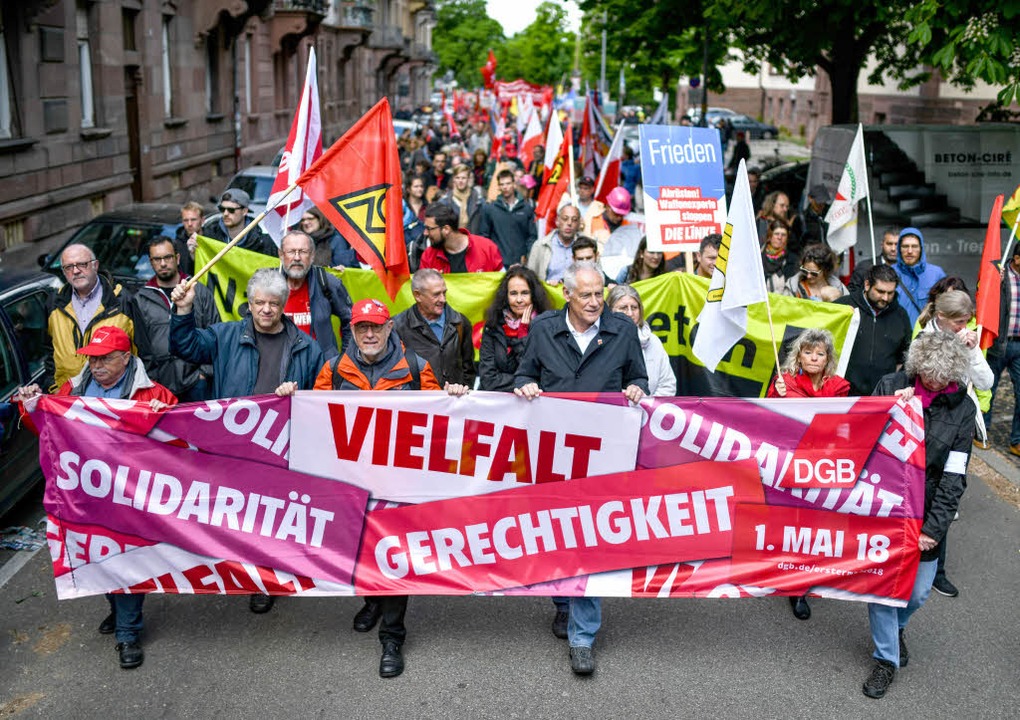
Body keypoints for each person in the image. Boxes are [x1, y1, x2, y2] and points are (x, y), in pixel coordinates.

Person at [312, 298, 468, 678]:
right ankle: (374, 601)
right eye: (362, 327)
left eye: (376, 327)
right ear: (351, 331)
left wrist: (457, 400)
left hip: (399, 486)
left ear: (388, 329)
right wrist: (288, 396)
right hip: (351, 484)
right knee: (361, 550)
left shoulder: (415, 368)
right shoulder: (333, 371)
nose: (369, 333)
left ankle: (392, 637)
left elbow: (440, 421)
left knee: (394, 555)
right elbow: (312, 418)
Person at [514, 261, 648, 676]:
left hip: (603, 455)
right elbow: (523, 373)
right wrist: (526, 385)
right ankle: (562, 601)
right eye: (586, 294)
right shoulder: (543, 329)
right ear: (566, 294)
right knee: (555, 536)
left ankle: (582, 636)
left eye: (599, 294)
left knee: (588, 541)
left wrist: (636, 389)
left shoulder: (622, 331)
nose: (595, 302)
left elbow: (640, 379)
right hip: (553, 453)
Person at [16, 325, 176, 670]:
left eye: (105, 359)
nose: (97, 366)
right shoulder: (73, 389)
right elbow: (48, 429)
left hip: (133, 497)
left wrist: (164, 423)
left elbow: (179, 437)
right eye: (93, 359)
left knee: (129, 560)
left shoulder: (153, 394)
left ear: (125, 358)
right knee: (100, 556)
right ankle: (117, 609)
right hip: (88, 494)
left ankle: (128, 634)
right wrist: (31, 407)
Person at [862, 330, 974, 699]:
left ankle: (897, 629)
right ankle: (885, 661)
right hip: (885, 505)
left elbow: (956, 476)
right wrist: (889, 409)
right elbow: (860, 439)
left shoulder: (963, 408)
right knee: (883, 588)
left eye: (941, 377)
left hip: (928, 511)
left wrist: (935, 528)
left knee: (919, 592)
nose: (932, 381)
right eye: (926, 373)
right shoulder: (891, 385)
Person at [915, 287, 993, 599]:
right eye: (959, 322)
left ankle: (937, 569)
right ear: (941, 318)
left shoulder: (965, 338)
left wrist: (972, 351)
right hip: (926, 426)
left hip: (956, 425)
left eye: (966, 321)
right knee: (924, 492)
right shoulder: (924, 338)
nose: (964, 327)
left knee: (948, 490)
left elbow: (986, 382)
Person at [131, 236, 218, 402]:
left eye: (167, 257)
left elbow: (216, 332)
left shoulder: (198, 291)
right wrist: (151, 379)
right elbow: (141, 345)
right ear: (151, 262)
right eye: (157, 259)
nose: (163, 263)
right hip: (159, 384)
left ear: (177, 258)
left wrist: (205, 373)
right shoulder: (141, 299)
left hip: (197, 382)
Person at [43, 243, 135, 394]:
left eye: (82, 264)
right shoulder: (54, 302)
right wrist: (53, 387)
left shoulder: (121, 300)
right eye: (69, 267)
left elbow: (142, 352)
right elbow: (48, 350)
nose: (76, 271)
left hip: (114, 397)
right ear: (64, 272)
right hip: (66, 399)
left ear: (95, 265)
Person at [834, 265, 912, 397]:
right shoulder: (843, 307)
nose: (885, 298)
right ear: (867, 285)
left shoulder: (900, 315)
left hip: (883, 395)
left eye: (890, 293)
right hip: (843, 393)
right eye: (880, 292)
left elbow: (905, 355)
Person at [392, 268, 476, 388]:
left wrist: (462, 394)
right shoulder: (398, 326)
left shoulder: (460, 322)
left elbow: (468, 368)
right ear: (417, 295)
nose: (443, 299)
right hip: (419, 403)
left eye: (444, 293)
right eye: (436, 294)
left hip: (454, 401)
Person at [277, 230, 353, 360]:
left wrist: (344, 360)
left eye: (303, 252)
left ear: (312, 256)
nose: (297, 258)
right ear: (281, 255)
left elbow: (351, 321)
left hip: (321, 370)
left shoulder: (328, 283)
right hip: (279, 366)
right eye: (291, 252)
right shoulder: (269, 285)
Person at [478, 267, 551, 391]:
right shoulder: (492, 326)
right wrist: (525, 384)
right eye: (513, 293)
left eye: (524, 293)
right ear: (505, 296)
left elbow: (542, 376)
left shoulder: (547, 326)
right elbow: (488, 379)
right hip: (496, 402)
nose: (518, 300)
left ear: (534, 295)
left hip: (532, 403)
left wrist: (523, 335)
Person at [607, 284, 676, 396]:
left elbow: (667, 385)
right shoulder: (600, 341)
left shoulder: (653, 342)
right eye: (623, 308)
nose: (630, 313)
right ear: (610, 310)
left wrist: (647, 406)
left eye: (634, 308)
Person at [986, 242, 1020, 458]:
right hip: (998, 342)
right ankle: (982, 431)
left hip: (1019, 344)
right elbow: (983, 297)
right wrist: (991, 281)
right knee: (988, 387)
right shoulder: (998, 275)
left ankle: (1017, 440)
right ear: (1017, 259)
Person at [477, 168, 538, 267]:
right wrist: (491, 257)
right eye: (502, 184)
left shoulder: (526, 208)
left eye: (508, 183)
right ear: (499, 187)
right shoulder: (490, 209)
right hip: (498, 263)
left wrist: (528, 254)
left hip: (521, 263)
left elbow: (532, 236)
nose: (505, 187)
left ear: (514, 184)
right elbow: (484, 236)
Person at [418, 203, 502, 274]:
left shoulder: (487, 248)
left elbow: (503, 284)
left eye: (429, 228)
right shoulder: (428, 256)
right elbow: (422, 290)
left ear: (446, 229)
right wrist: (431, 283)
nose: (425, 233)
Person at [893, 227, 946, 326]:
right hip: (896, 333)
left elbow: (947, 306)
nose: (909, 251)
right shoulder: (889, 273)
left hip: (926, 335)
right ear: (899, 249)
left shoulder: (936, 273)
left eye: (914, 246)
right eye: (905, 246)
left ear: (921, 248)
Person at [201, 189, 277, 257]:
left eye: (231, 210)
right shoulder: (209, 235)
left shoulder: (262, 242)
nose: (225, 213)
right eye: (222, 209)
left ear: (244, 211)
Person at [526, 204, 582, 284]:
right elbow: (530, 278)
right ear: (557, 221)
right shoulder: (541, 246)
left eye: (574, 220)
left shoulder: (585, 246)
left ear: (579, 223)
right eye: (565, 219)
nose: (569, 223)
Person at [783, 243, 848, 301]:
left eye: (814, 273)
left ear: (825, 270)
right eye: (804, 271)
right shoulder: (793, 288)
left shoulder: (838, 287)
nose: (808, 276)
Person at [848, 227, 901, 293]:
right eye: (889, 244)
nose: (893, 249)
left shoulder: (908, 271)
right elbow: (853, 293)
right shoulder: (865, 267)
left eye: (897, 245)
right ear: (882, 245)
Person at [439, 164, 484, 233]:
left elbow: (484, 225)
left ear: (468, 179)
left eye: (463, 178)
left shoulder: (478, 201)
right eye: (457, 178)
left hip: (473, 240)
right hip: (453, 241)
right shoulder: (444, 202)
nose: (460, 181)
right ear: (454, 179)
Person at [761, 220, 800, 293]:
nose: (779, 237)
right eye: (776, 234)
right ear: (770, 236)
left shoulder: (792, 260)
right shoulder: (759, 256)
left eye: (783, 235)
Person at [590, 186, 633, 251]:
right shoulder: (593, 221)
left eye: (622, 215)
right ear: (608, 207)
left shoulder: (628, 225)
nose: (619, 218)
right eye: (616, 214)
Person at [176, 200, 204, 275]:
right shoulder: (177, 245)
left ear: (202, 220)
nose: (189, 224)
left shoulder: (212, 238)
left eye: (193, 219)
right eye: (186, 220)